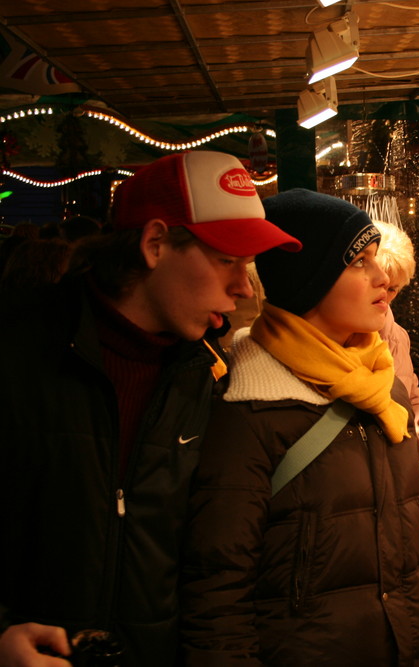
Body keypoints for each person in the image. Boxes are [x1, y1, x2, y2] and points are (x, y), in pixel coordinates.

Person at [0, 151, 301, 666]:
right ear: (155, 243)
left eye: (248, 266)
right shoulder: (17, 353)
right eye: (227, 259)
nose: (244, 287)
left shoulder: (212, 378)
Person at [180, 189, 419, 666]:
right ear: (306, 275)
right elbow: (218, 597)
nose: (381, 277)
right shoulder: (248, 408)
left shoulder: (385, 391)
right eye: (358, 261)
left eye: (378, 258)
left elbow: (416, 566)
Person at [373, 220, 419, 457]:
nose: (383, 296)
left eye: (392, 289)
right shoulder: (335, 337)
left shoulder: (398, 337)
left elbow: (413, 400)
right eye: (377, 284)